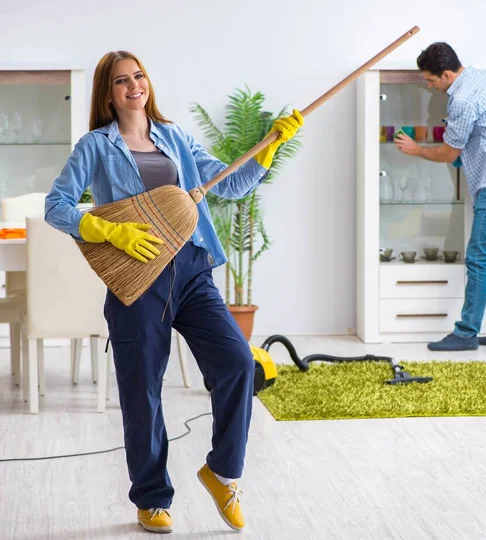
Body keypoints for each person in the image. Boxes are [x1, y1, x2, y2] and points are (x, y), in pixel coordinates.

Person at [44, 50, 303, 533]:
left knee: (238, 363)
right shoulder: (95, 147)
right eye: (121, 81)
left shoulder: (174, 137)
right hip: (138, 279)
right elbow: (55, 205)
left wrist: (269, 147)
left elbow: (232, 184)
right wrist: (104, 229)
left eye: (138, 76)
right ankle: (152, 498)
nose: (133, 86)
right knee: (142, 390)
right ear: (108, 92)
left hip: (192, 270)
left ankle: (223, 472)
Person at [394, 42, 486, 351]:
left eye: (431, 80)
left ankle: (465, 333)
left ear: (447, 74)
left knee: (478, 258)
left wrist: (416, 149)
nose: (429, 85)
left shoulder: (461, 99)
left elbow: (450, 153)